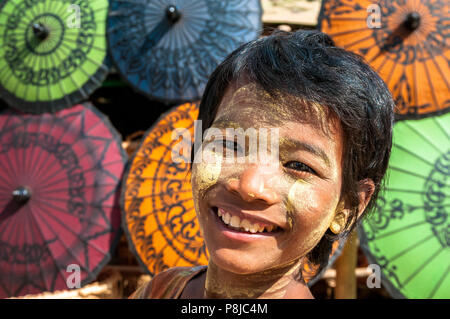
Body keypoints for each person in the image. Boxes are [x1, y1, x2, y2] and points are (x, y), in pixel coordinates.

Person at [130, 29, 395, 299]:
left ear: (348, 207)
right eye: (230, 145)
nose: (249, 186)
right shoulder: (159, 291)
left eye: (299, 165)